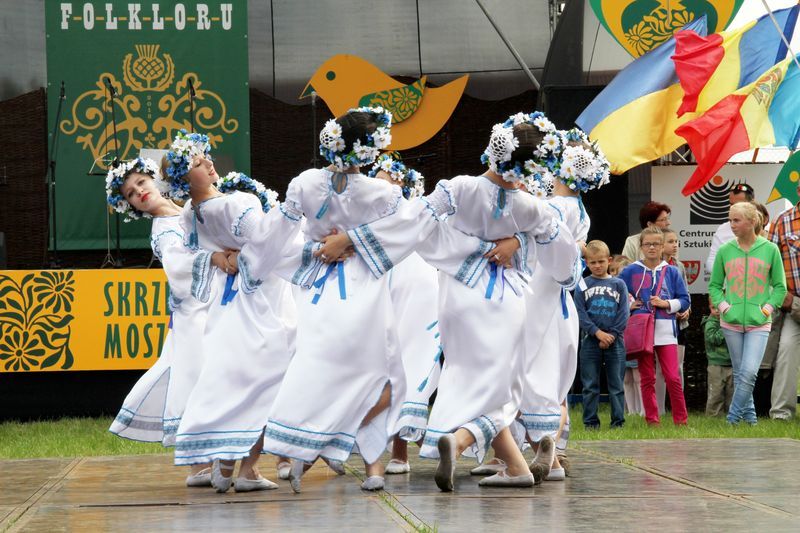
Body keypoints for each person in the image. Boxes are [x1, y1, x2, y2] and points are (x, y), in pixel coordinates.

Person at [325, 111, 580, 491]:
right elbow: (563, 259)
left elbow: (412, 222)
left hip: (458, 300)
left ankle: (508, 464)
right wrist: (521, 244)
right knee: (502, 388)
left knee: (468, 377)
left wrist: (353, 239)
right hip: (504, 301)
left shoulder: (458, 188)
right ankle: (461, 442)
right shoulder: (531, 207)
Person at [164, 131, 304, 493]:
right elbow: (266, 241)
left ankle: (229, 463)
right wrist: (294, 224)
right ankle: (245, 468)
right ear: (183, 178)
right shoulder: (234, 203)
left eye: (206, 157)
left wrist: (218, 256)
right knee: (271, 379)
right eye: (197, 162)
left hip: (227, 306)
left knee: (237, 378)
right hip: (259, 300)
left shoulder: (191, 216)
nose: (209, 163)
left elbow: (187, 256)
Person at [106, 157, 220, 487]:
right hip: (192, 312)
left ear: (155, 180)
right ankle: (200, 462)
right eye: (129, 193)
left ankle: (211, 460)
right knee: (196, 376)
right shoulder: (162, 231)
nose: (138, 192)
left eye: (141, 183)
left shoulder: (187, 210)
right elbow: (177, 265)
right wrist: (214, 258)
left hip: (215, 302)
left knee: (209, 373)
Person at [368, 153, 439, 475]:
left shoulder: (416, 210)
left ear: (401, 183)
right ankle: (380, 446)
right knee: (383, 364)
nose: (380, 186)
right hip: (383, 284)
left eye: (387, 179)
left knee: (414, 360)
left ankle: (402, 449)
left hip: (417, 284)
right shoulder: (367, 213)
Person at [710, 202, 787, 424]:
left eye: (736, 220)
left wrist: (767, 308)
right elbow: (715, 285)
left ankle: (732, 420)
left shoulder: (770, 249)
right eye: (730, 220)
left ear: (752, 222)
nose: (731, 225)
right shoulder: (725, 251)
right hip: (730, 323)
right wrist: (724, 307)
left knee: (749, 372)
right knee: (741, 373)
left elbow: (780, 287)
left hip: (759, 322)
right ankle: (751, 420)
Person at [619, 227, 690, 426]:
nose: (652, 248)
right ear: (640, 246)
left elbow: (685, 300)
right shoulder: (631, 270)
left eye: (656, 244)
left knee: (672, 376)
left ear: (662, 247)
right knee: (647, 377)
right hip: (642, 331)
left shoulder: (672, 271)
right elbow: (618, 291)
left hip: (666, 331)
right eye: (647, 244)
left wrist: (667, 304)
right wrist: (630, 304)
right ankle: (652, 420)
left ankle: (681, 420)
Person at [574, 240, 629, 429]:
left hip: (616, 341)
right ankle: (590, 422)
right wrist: (597, 333)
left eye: (601, 261)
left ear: (609, 260)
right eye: (592, 262)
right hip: (590, 341)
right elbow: (580, 313)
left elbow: (624, 313)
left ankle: (618, 422)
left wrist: (611, 334)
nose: (597, 266)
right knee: (589, 385)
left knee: (616, 385)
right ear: (586, 263)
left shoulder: (619, 284)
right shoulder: (582, 284)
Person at [705, 182, 755, 275]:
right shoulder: (722, 229)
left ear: (751, 204)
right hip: (730, 286)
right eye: (731, 204)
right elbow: (711, 263)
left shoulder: (766, 228)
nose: (733, 208)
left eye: (739, 205)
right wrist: (732, 274)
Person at [703, 310, 733, 417]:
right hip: (715, 364)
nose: (717, 309)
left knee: (732, 393)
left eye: (719, 306)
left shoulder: (733, 320)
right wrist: (725, 327)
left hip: (732, 363)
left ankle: (733, 416)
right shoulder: (710, 323)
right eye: (713, 306)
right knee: (715, 393)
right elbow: (712, 339)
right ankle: (713, 417)